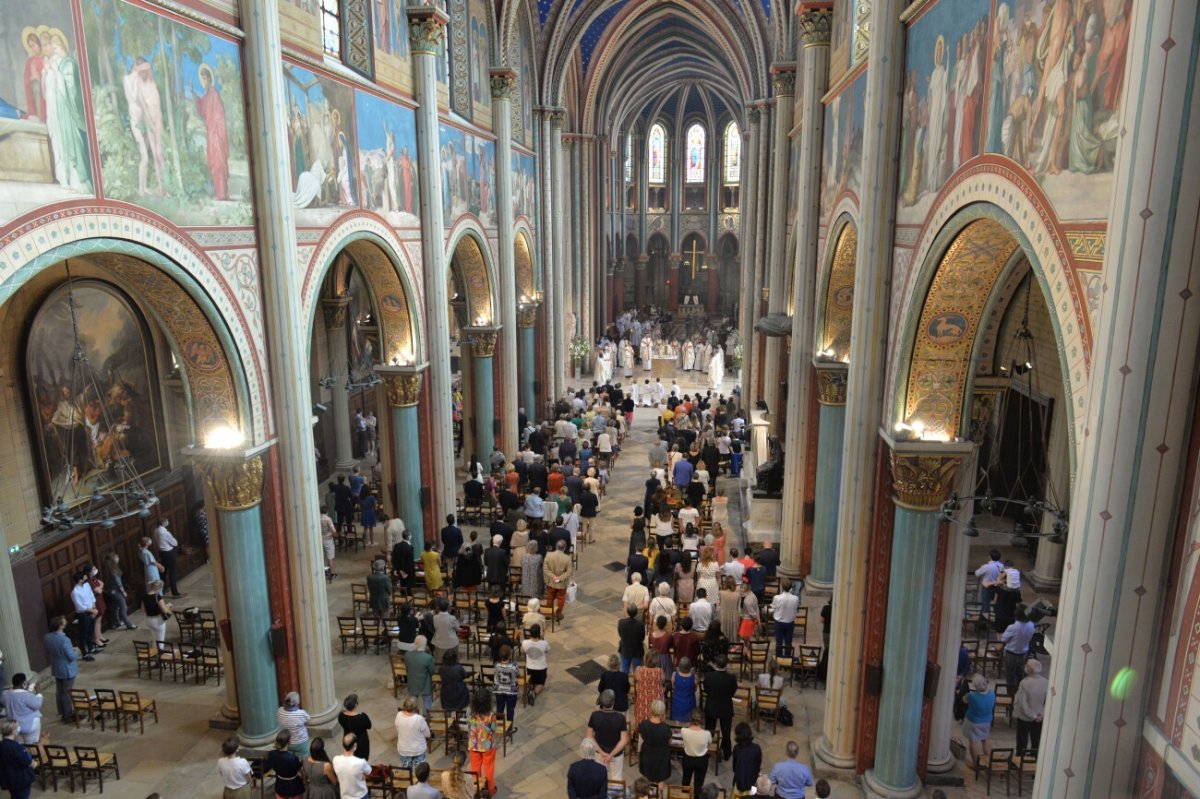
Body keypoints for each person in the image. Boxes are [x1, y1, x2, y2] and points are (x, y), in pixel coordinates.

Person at [588, 689, 629, 780]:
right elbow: (624, 740)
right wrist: (611, 755)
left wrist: (602, 753)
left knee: (600, 778)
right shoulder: (620, 718)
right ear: (613, 702)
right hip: (616, 755)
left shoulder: (594, 715)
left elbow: (589, 737)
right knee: (616, 778)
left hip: (599, 754)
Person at [43, 616, 77, 722]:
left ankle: (61, 711)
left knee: (59, 691)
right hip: (67, 669)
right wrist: (77, 651)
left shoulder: (47, 637)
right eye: (64, 622)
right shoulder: (64, 640)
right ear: (61, 626)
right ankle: (68, 715)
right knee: (67, 692)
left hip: (56, 666)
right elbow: (71, 657)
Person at [703, 654, 738, 760]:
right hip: (726, 707)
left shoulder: (709, 676)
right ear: (726, 665)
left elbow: (706, 690)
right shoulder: (731, 678)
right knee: (726, 732)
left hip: (711, 706)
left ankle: (707, 751)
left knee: (709, 730)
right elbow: (733, 692)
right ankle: (727, 753)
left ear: (715, 664)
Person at [1013, 659, 1048, 756]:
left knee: (1022, 741)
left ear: (1029, 670)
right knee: (1036, 740)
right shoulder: (1046, 682)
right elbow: (1048, 701)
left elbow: (1023, 703)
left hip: (1025, 717)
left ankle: (1020, 760)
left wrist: (1032, 716)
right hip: (1039, 717)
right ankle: (1034, 759)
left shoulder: (1024, 683)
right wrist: (1041, 714)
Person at [637, 699, 673, 791]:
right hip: (661, 756)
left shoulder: (644, 724)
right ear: (662, 713)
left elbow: (641, 735)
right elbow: (670, 741)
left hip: (647, 753)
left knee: (648, 777)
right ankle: (658, 795)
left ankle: (650, 794)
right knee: (660, 780)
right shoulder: (665, 728)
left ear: (651, 710)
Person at [467, 689, 498, 796]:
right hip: (487, 746)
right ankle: (490, 790)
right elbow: (493, 729)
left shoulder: (469, 711)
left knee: (475, 769)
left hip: (474, 744)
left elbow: (468, 724)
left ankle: (477, 790)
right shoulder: (491, 715)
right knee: (489, 768)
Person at [961, 673, 997, 767]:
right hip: (986, 721)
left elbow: (964, 700)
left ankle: (975, 763)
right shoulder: (992, 694)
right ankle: (988, 761)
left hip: (974, 721)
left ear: (975, 686)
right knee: (985, 739)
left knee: (973, 741)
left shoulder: (972, 696)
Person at [1002, 607, 1036, 696]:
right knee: (1020, 674)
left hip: (1010, 653)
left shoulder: (1012, 627)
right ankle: (1019, 694)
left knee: (1010, 675)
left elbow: (1004, 639)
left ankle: (1010, 695)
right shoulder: (1031, 625)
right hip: (1023, 653)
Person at [0, 718, 36, 799]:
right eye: (17, 727)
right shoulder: (15, 747)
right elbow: (28, 762)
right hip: (20, 780)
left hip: (9, 779)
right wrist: (33, 763)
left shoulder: (2, 745)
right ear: (13, 731)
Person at [2, 675, 41, 744]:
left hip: (14, 727)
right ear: (23, 683)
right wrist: (38, 692)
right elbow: (37, 705)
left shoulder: (5, 694)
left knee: (20, 746)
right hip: (30, 726)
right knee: (32, 747)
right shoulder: (26, 695)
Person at [680, 709, 712, 793]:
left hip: (687, 759)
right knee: (699, 784)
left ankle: (685, 796)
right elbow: (709, 744)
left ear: (690, 718)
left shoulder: (684, 731)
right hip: (701, 760)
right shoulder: (707, 734)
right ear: (702, 720)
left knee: (685, 780)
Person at [332, 733, 372, 799]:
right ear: (355, 745)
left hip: (345, 796)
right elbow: (369, 773)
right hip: (360, 795)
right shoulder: (361, 762)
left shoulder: (335, 760)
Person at [70, 569, 100, 658]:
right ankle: (84, 653)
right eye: (84, 577)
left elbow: (91, 596)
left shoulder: (86, 585)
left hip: (92, 610)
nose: (86, 578)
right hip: (83, 614)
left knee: (90, 631)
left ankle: (91, 648)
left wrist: (94, 608)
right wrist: (92, 611)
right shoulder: (75, 592)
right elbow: (80, 606)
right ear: (79, 580)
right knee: (84, 633)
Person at [103, 552, 137, 631]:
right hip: (116, 590)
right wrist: (123, 592)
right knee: (123, 607)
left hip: (111, 590)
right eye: (116, 557)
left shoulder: (108, 569)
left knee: (115, 607)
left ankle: (116, 622)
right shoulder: (114, 570)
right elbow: (119, 583)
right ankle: (128, 624)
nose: (118, 558)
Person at [493, 644, 520, 733]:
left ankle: (499, 727)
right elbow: (517, 674)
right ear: (509, 655)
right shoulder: (514, 665)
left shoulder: (496, 665)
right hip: (511, 692)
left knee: (499, 708)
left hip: (499, 690)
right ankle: (509, 728)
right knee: (510, 709)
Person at [153, 518, 183, 598]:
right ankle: (175, 592)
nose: (167, 522)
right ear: (163, 522)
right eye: (166, 521)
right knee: (172, 572)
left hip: (161, 552)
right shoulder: (165, 532)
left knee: (164, 571)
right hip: (168, 553)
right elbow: (175, 543)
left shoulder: (156, 531)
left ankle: (163, 589)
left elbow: (156, 541)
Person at [337, 694, 372, 760]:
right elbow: (369, 726)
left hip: (348, 740)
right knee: (362, 761)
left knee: (350, 758)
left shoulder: (341, 716)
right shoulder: (362, 717)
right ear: (355, 705)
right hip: (361, 742)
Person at [544, 539, 574, 620]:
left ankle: (548, 614)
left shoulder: (548, 555)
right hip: (561, 583)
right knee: (561, 599)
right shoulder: (567, 558)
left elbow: (545, 569)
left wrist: (553, 577)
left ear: (556, 546)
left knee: (550, 597)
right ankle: (558, 614)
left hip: (551, 582)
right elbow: (569, 572)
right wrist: (559, 578)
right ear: (564, 548)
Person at [731, 722, 762, 798]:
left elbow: (734, 767)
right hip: (753, 781)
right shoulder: (757, 748)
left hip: (740, 782)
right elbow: (758, 764)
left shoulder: (736, 748)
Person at [278, 692, 311, 757]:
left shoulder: (280, 711)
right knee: (303, 758)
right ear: (297, 702)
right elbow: (308, 722)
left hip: (286, 742)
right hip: (301, 742)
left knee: (291, 758)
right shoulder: (301, 713)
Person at [522, 624, 549, 704]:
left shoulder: (525, 642)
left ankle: (530, 688)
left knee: (531, 681)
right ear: (539, 633)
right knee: (541, 684)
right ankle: (534, 693)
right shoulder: (544, 643)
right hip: (541, 668)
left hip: (530, 667)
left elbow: (524, 651)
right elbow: (547, 651)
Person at [975, 549, 1004, 617]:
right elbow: (1002, 575)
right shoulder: (1001, 566)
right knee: (997, 605)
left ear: (990, 557)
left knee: (985, 605)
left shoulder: (986, 567)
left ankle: (985, 622)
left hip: (987, 588)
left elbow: (977, 573)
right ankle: (996, 620)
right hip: (997, 587)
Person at [618, 606, 645, 674]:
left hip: (625, 649)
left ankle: (624, 683)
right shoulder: (640, 625)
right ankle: (636, 684)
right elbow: (642, 638)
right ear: (636, 613)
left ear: (627, 612)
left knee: (624, 670)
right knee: (637, 671)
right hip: (637, 650)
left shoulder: (621, 622)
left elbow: (620, 634)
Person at [672, 657, 697, 722]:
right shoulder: (694, 677)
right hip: (690, 701)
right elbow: (695, 689)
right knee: (689, 721)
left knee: (677, 722)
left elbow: (673, 686)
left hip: (677, 701)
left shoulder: (674, 675)